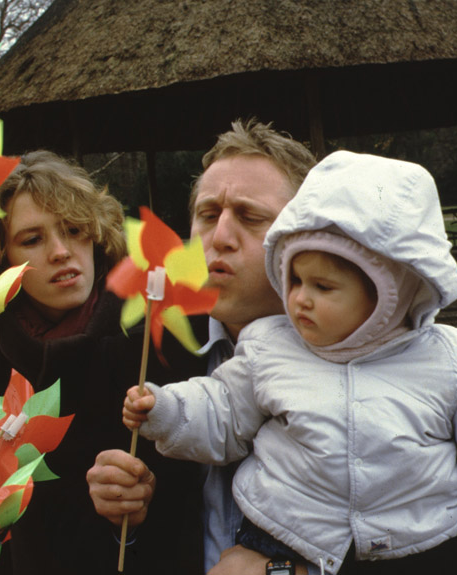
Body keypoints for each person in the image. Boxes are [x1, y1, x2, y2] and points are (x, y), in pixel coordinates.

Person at [121, 151, 457, 575]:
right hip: (280, 537)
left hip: (413, 550)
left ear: (389, 293)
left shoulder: (454, 361)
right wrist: (166, 410)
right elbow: (221, 409)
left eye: (323, 286)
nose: (301, 298)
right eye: (295, 279)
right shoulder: (265, 348)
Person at [0, 150, 202, 574]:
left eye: (73, 229)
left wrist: (138, 507)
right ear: (0, 257)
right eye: (32, 240)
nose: (61, 251)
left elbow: (193, 498)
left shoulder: (151, 339)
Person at [86, 119, 317, 572]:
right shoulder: (139, 360)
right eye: (208, 215)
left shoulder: (364, 355)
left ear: (306, 234)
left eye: (250, 217)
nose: (220, 237)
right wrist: (124, 518)